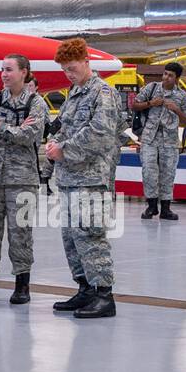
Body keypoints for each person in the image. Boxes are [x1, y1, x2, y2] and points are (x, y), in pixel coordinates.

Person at [43, 37, 119, 319]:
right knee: (72, 238)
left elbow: (99, 135)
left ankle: (103, 294)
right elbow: (62, 127)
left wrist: (64, 150)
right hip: (69, 179)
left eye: (72, 68)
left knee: (91, 235)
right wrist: (53, 145)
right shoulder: (74, 94)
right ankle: (85, 288)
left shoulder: (103, 94)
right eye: (65, 70)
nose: (69, 74)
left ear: (87, 62)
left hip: (90, 179)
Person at [0, 54, 47, 305]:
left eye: (9, 70)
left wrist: (1, 127)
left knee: (21, 233)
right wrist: (10, 130)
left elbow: (31, 135)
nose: (4, 74)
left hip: (22, 180)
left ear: (24, 72)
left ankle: (22, 285)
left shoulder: (37, 103)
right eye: (2, 70)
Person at [132, 62, 186, 221]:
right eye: (165, 74)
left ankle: (166, 209)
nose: (166, 78)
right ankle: (151, 207)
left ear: (177, 78)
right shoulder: (151, 88)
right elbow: (134, 105)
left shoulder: (182, 96)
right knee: (149, 171)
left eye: (170, 75)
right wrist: (151, 103)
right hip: (150, 137)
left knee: (167, 174)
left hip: (169, 141)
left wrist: (176, 110)